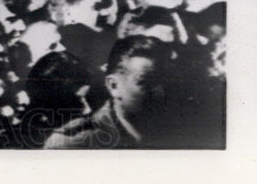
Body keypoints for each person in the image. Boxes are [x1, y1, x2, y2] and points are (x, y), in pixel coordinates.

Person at [44, 36, 172, 149]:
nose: (160, 91)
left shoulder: (174, 127)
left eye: (164, 80)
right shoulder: (72, 144)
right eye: (146, 82)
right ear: (113, 86)